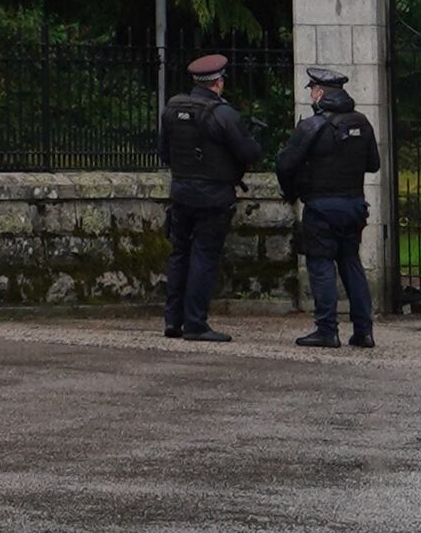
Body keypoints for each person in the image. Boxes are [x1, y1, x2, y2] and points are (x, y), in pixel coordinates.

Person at [155, 50, 261, 343]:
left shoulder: (173, 108)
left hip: (181, 191)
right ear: (218, 83)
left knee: (179, 254)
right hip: (213, 196)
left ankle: (173, 320)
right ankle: (196, 324)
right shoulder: (222, 114)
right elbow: (249, 152)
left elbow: (164, 153)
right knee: (204, 256)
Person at [279, 67, 384, 349]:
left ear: (321, 93)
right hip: (353, 205)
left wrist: (292, 193)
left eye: (312, 90)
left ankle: (326, 329)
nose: (311, 95)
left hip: (321, 206)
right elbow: (373, 164)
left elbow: (285, 164)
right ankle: (364, 331)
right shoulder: (361, 123)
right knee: (350, 262)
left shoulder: (312, 126)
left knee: (321, 264)